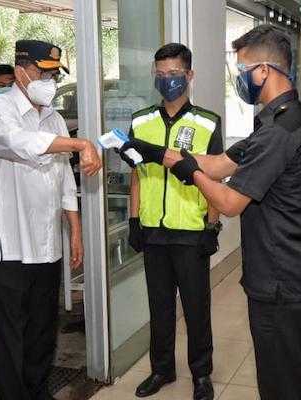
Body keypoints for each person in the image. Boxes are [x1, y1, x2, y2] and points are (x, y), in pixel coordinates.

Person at [120, 25, 301, 400]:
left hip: (282, 275)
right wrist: (156, 153)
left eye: (242, 69)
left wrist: (191, 174)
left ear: (262, 71)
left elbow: (229, 203)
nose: (238, 78)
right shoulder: (276, 119)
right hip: (287, 268)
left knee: (282, 381)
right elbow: (218, 164)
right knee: (294, 371)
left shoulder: (279, 131)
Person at [0, 40, 101, 400]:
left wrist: (75, 230)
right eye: (43, 73)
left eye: (54, 74)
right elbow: (20, 142)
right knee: (11, 334)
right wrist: (80, 144)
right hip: (8, 245)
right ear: (21, 72)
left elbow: (64, 182)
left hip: (45, 243)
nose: (50, 81)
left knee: (43, 328)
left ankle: (38, 391)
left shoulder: (54, 118)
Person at [128, 43, 222, 400]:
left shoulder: (207, 122)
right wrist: (134, 220)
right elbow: (137, 175)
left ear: (189, 75)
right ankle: (162, 370)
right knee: (160, 307)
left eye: (174, 73)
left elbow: (215, 179)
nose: (167, 80)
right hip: (153, 230)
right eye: (161, 74)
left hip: (191, 231)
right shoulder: (141, 120)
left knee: (197, 308)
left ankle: (201, 374)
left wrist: (212, 225)